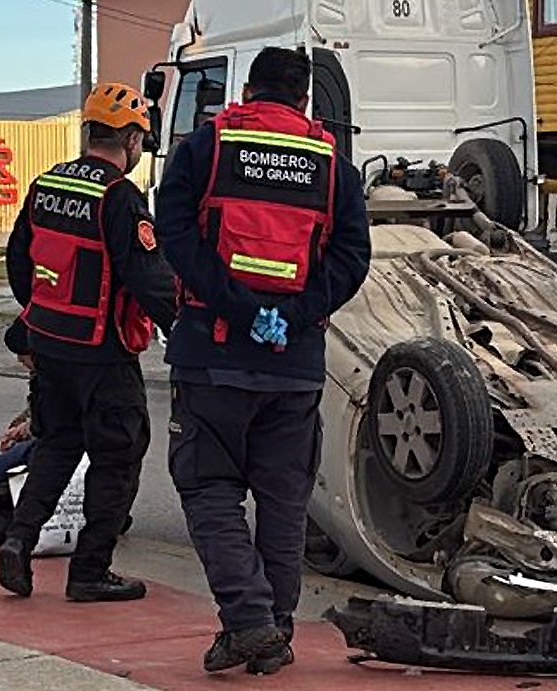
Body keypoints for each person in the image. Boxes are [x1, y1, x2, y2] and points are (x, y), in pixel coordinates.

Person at [157, 47, 371, 675]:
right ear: (305, 100)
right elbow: (352, 258)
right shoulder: (334, 165)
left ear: (248, 91)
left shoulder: (206, 148)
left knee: (208, 488)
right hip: (294, 362)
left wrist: (238, 306)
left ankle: (250, 623)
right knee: (282, 502)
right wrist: (296, 313)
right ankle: (270, 630)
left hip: (212, 353)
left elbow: (176, 237)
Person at [0, 82, 176, 603]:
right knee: (118, 455)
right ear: (129, 138)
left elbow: (19, 260)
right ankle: (90, 571)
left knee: (56, 445)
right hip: (104, 351)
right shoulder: (121, 197)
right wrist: (185, 332)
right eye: (141, 137)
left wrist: (40, 314)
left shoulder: (45, 184)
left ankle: (17, 539)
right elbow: (149, 279)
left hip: (51, 342)